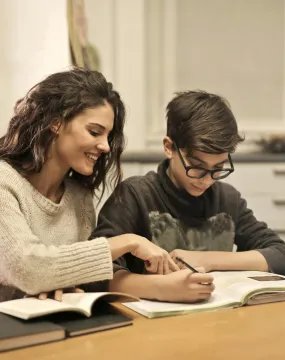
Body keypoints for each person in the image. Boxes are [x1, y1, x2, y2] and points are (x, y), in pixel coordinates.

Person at [91, 90, 285, 303]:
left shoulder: (227, 199)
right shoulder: (135, 196)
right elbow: (94, 272)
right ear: (169, 147)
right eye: (197, 167)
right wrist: (160, 288)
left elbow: (282, 257)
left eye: (218, 168)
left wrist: (206, 259)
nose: (207, 180)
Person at [0, 67, 182, 303]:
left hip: (51, 327)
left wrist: (59, 286)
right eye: (94, 132)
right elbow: (28, 269)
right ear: (56, 123)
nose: (105, 146)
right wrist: (129, 241)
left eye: (107, 136)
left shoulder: (79, 198)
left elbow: (77, 278)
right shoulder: (4, 182)